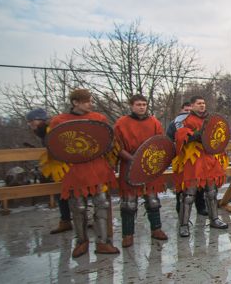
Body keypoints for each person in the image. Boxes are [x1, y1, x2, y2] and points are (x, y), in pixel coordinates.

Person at [45, 89, 119, 257]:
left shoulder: (98, 119)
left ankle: (102, 242)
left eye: (90, 101)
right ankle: (81, 242)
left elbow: (108, 140)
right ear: (75, 102)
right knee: (78, 207)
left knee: (102, 203)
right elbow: (54, 145)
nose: (89, 104)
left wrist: (109, 149)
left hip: (96, 166)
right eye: (86, 101)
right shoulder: (59, 121)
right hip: (75, 169)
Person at [113, 95, 169, 248]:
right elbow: (117, 146)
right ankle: (127, 235)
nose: (142, 107)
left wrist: (150, 160)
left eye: (144, 104)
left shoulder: (154, 122)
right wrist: (133, 159)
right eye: (138, 104)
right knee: (129, 203)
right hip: (129, 165)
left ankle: (156, 229)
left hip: (149, 165)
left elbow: (160, 142)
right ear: (131, 105)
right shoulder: (122, 123)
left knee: (152, 200)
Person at [172, 96, 229, 237]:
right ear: (192, 106)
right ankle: (184, 225)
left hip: (209, 158)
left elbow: (218, 135)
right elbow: (181, 137)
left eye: (203, 103)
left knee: (211, 192)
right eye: (199, 103)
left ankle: (214, 219)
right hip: (194, 159)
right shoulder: (184, 120)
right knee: (189, 194)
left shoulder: (210, 119)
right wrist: (196, 134)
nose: (202, 105)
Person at [27, 108, 72, 234]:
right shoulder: (43, 132)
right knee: (61, 193)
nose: (31, 124)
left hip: (65, 166)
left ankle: (78, 219)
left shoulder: (50, 130)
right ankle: (66, 220)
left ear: (40, 120)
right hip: (58, 167)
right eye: (29, 122)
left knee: (70, 193)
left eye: (32, 121)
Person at [167, 102, 207, 216]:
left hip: (197, 158)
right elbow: (169, 140)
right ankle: (180, 208)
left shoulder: (198, 121)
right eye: (186, 110)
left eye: (190, 110)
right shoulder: (174, 124)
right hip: (181, 159)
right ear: (181, 110)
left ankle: (201, 207)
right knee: (182, 186)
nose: (188, 113)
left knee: (199, 183)